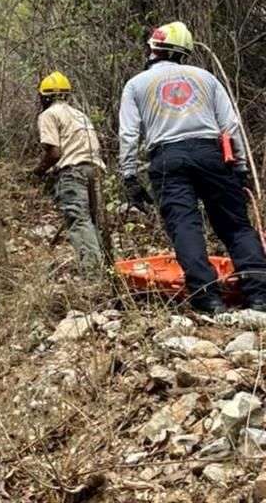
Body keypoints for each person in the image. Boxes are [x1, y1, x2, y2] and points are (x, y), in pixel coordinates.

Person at [118, 21, 266, 314]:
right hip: (210, 155)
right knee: (235, 225)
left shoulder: (136, 85)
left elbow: (129, 134)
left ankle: (207, 299)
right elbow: (230, 125)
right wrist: (240, 166)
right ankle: (260, 295)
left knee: (185, 227)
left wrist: (129, 174)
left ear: (153, 49)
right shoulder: (206, 78)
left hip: (166, 159)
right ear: (184, 51)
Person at [34, 71, 107, 277]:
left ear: (45, 96)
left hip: (73, 171)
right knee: (93, 221)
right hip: (95, 169)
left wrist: (39, 171)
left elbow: (54, 152)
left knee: (78, 220)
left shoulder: (48, 115)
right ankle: (105, 268)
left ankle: (93, 274)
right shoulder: (79, 114)